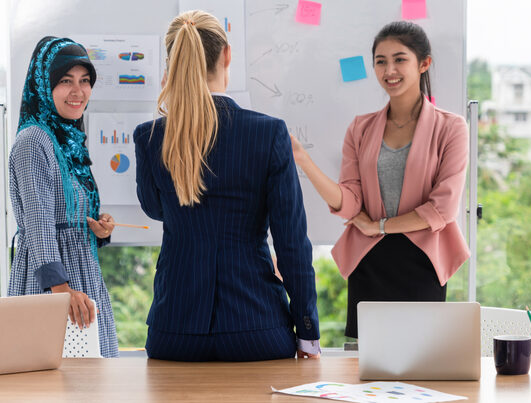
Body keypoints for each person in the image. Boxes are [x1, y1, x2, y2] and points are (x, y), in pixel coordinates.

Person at [134, 10, 320, 361]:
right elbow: (292, 243)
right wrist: (307, 332)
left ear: (173, 65)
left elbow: (155, 208)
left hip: (175, 331)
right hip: (258, 328)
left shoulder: (150, 137)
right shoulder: (268, 134)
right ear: (227, 55)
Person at [291, 21, 470, 339]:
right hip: (369, 262)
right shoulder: (360, 129)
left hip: (423, 261)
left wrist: (381, 226)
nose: (390, 70)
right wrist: (303, 160)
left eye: (400, 59)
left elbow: (443, 209)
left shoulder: (451, 128)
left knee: (422, 368)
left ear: (424, 63)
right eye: (381, 61)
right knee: (363, 368)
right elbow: (350, 203)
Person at [8, 36, 119, 357]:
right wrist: (61, 291)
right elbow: (40, 222)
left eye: (85, 81)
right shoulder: (33, 141)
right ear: (44, 86)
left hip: (81, 274)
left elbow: (67, 214)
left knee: (92, 381)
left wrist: (98, 229)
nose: (78, 91)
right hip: (54, 281)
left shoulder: (68, 141)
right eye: (66, 81)